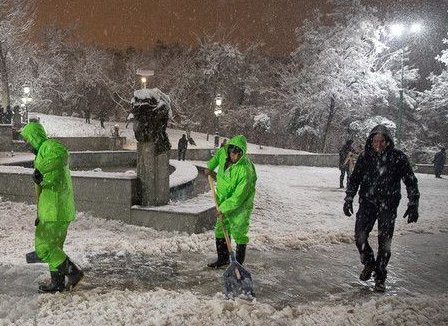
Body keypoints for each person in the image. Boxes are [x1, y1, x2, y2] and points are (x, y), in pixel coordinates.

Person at [343, 125, 419, 292]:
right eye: (375, 141)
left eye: (382, 141)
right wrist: (349, 197)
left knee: (384, 243)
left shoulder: (398, 157)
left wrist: (413, 202)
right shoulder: (365, 157)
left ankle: (380, 276)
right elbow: (354, 179)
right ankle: (369, 262)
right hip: (367, 203)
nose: (378, 144)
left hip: (388, 205)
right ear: (371, 141)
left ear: (388, 141)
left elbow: (410, 180)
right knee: (360, 237)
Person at [20, 121, 84, 293]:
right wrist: (39, 213)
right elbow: (44, 184)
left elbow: (62, 155)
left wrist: (40, 169)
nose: (27, 145)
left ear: (35, 137)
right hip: (54, 209)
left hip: (55, 209)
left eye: (28, 140)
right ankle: (57, 283)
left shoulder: (49, 146)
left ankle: (74, 272)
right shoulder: (42, 152)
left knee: (44, 248)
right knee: (55, 248)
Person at [205, 135, 257, 268]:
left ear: (242, 153)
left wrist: (223, 208)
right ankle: (222, 260)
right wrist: (210, 167)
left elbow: (238, 197)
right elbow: (217, 157)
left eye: (238, 154)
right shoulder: (224, 153)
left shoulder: (245, 170)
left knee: (239, 232)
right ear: (229, 151)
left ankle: (237, 265)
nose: (235, 157)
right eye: (233, 154)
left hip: (241, 205)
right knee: (220, 229)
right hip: (223, 200)